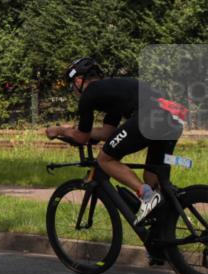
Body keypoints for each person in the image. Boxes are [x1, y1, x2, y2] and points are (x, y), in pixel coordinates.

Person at [45, 57, 187, 232]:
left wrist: (59, 130)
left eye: (71, 86)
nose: (73, 91)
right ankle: (167, 224)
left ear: (79, 80)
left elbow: (81, 138)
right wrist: (75, 130)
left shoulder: (89, 94)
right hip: (172, 116)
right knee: (152, 177)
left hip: (149, 116)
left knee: (105, 160)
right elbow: (106, 133)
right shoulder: (112, 90)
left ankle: (148, 197)